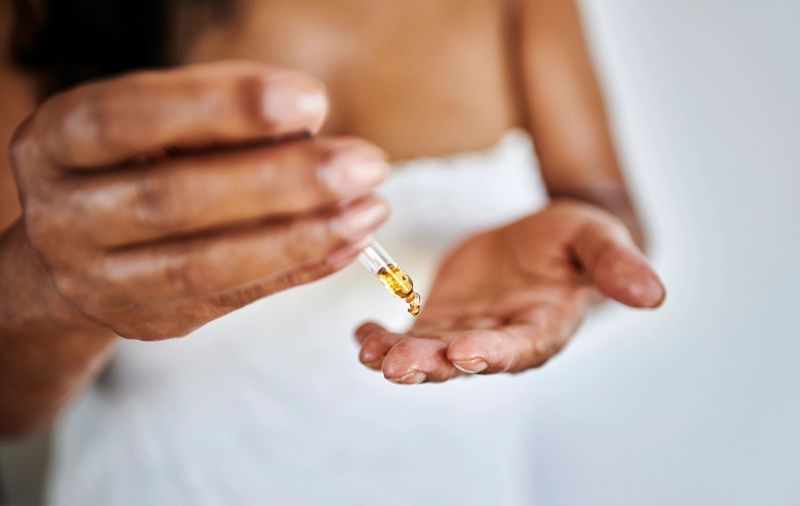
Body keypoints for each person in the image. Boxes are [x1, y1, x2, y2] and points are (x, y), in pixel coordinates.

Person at [0, 0, 666, 503]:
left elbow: (607, 212)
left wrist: (579, 252)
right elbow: (9, 404)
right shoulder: (47, 18)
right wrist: (61, 289)